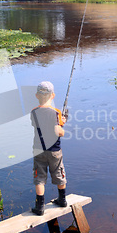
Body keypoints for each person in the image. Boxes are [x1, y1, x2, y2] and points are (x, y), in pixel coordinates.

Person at [31, 81, 67, 215]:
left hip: (39, 150)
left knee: (39, 177)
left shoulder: (33, 112)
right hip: (54, 151)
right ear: (53, 96)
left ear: (36, 96)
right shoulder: (56, 112)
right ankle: (62, 199)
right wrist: (62, 123)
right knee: (59, 172)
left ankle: (40, 207)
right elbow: (59, 132)